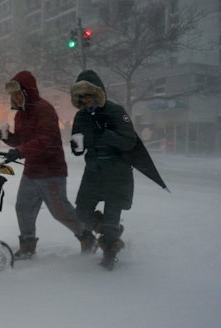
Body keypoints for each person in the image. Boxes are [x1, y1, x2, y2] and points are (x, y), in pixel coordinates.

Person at [0, 71, 94, 260]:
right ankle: (27, 245)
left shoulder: (44, 109)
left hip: (51, 171)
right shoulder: (20, 115)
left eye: (17, 93)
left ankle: (86, 236)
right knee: (23, 207)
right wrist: (9, 138)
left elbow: (45, 139)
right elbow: (23, 140)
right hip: (32, 171)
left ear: (27, 92)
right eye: (12, 95)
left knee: (60, 211)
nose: (14, 98)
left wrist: (20, 151)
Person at [69, 70, 138, 270]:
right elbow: (77, 144)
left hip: (117, 173)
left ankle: (109, 256)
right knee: (82, 212)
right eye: (80, 98)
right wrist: (76, 146)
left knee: (111, 218)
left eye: (88, 96)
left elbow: (130, 141)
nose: (85, 101)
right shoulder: (81, 117)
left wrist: (108, 136)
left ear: (98, 94)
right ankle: (110, 233)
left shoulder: (115, 111)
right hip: (93, 172)